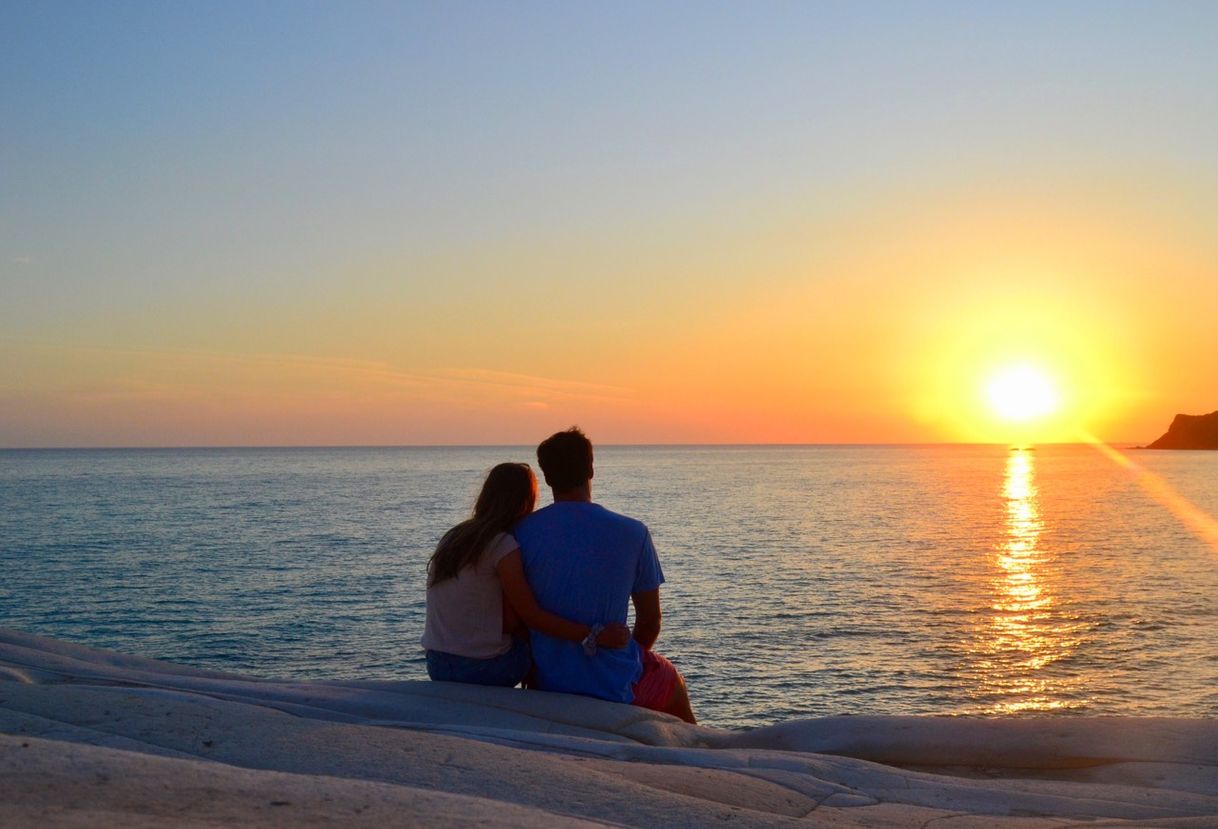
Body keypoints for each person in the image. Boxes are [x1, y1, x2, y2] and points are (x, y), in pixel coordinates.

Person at [513, 428, 696, 722]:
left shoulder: (520, 533)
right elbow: (650, 623)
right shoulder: (633, 532)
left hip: (546, 681)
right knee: (672, 681)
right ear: (591, 469)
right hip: (611, 686)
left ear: (547, 477)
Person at [421, 462, 629, 687]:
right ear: (524, 502)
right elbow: (525, 618)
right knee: (536, 640)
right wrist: (594, 635)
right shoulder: (502, 545)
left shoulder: (454, 537)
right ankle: (540, 698)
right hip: (484, 669)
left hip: (438, 664)